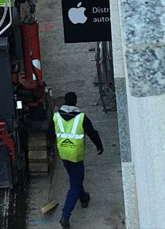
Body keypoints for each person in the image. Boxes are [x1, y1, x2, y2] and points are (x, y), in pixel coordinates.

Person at [47, 91, 104, 228]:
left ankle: (83, 198)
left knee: (75, 178)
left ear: (64, 102)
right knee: (75, 184)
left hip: (64, 154)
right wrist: (99, 146)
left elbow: (50, 135)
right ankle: (65, 215)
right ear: (76, 102)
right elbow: (92, 133)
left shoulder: (56, 117)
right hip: (76, 155)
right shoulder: (81, 118)